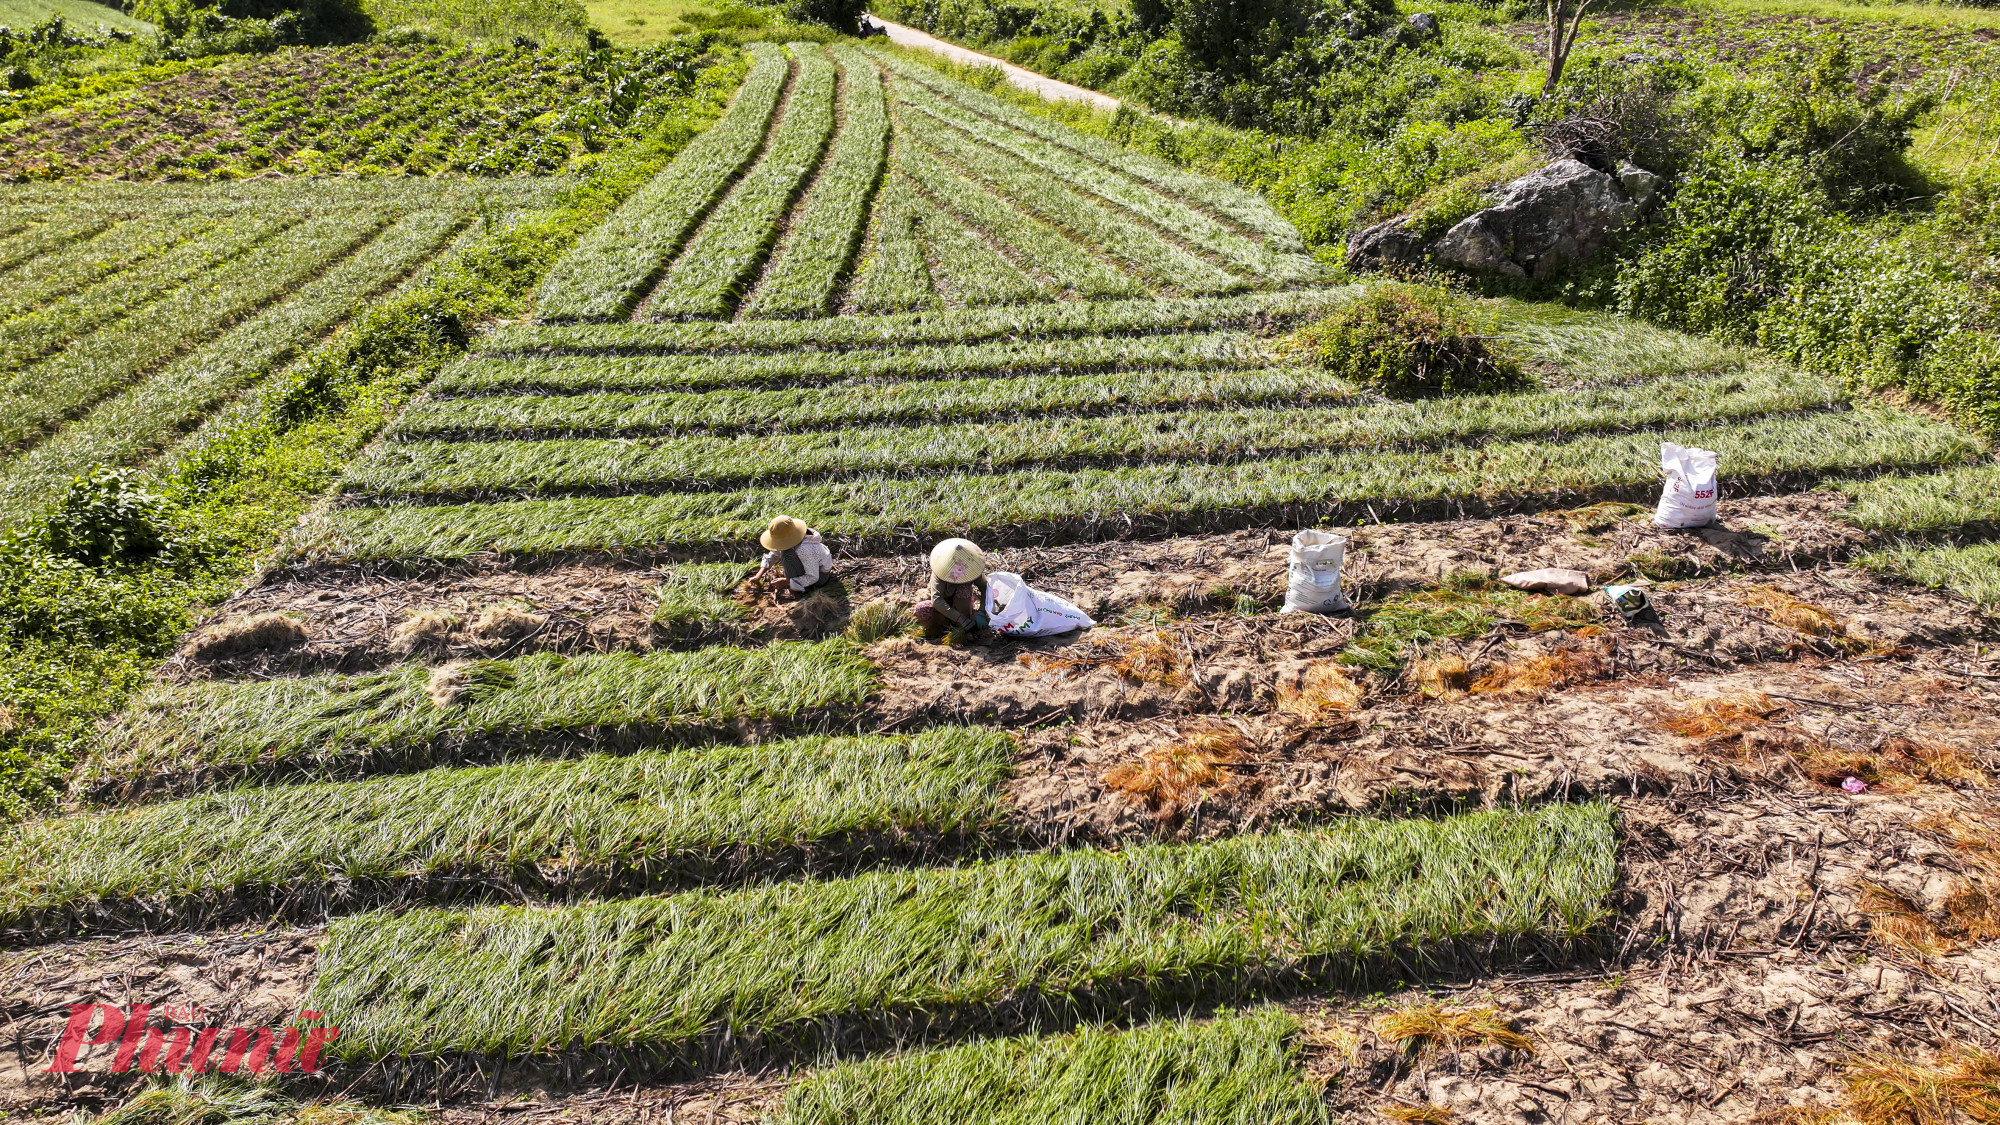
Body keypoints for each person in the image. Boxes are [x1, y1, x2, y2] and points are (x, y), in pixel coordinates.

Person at [915, 538, 988, 638]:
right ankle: (941, 628)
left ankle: (963, 628)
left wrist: (981, 612)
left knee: (964, 589)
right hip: (942, 607)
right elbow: (937, 600)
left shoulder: (973, 570)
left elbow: (985, 589)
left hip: (963, 604)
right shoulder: (940, 573)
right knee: (922, 610)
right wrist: (959, 618)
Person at [753, 516, 833, 599]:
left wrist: (787, 582)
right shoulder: (793, 537)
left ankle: (797, 591)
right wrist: (758, 575)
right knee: (785, 552)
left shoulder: (805, 548)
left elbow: (813, 577)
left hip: (819, 577)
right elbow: (774, 555)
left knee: (787, 555)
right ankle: (794, 583)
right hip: (811, 570)